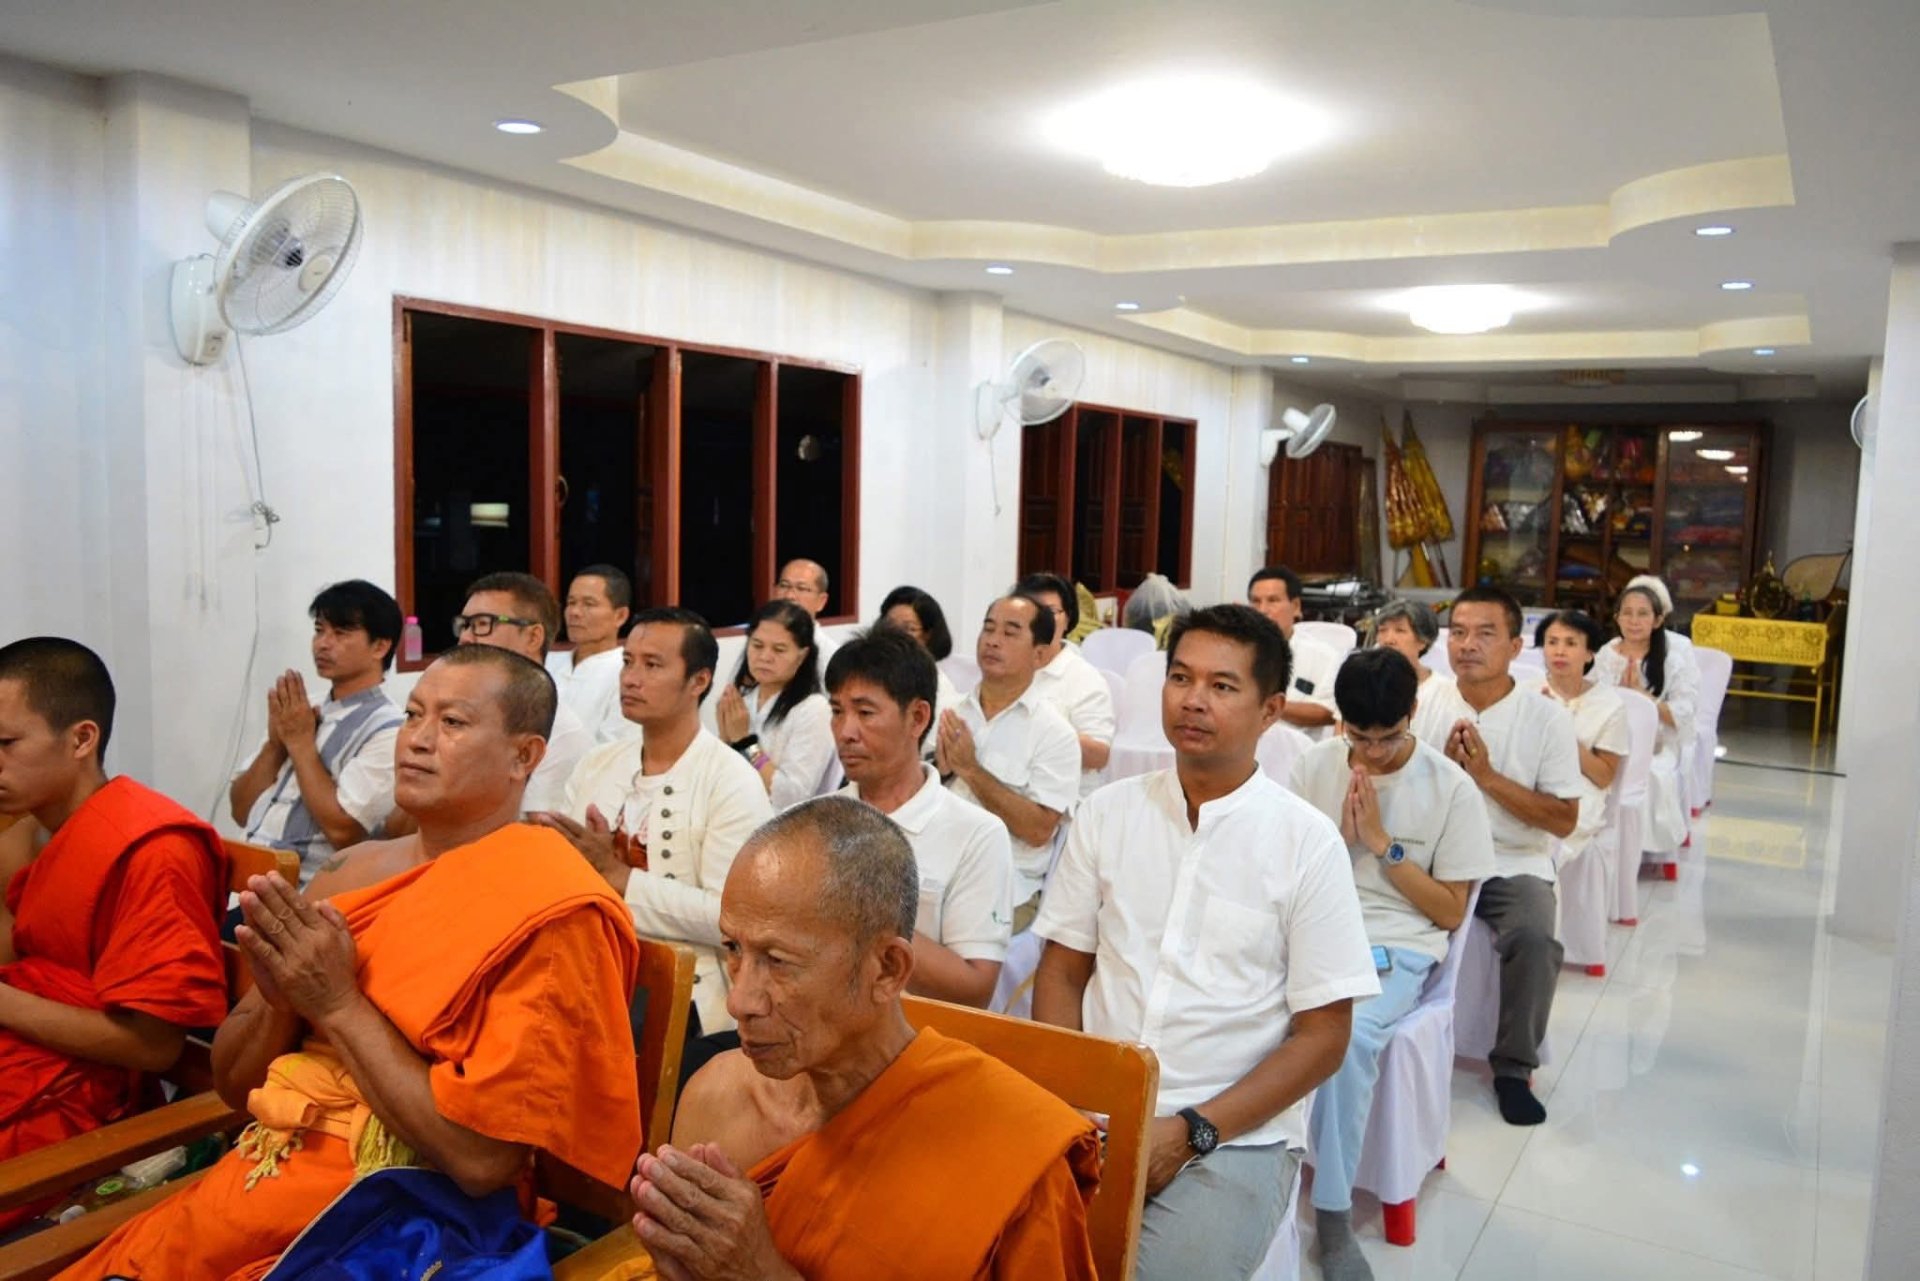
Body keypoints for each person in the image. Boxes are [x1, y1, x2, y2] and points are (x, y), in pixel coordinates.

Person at [59, 645, 643, 1280]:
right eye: (413, 715)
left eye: (452, 722)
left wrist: (336, 1003)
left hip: (393, 1218)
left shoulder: (551, 908)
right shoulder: (349, 873)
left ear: (523, 757)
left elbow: (481, 1164)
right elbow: (233, 1085)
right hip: (260, 1168)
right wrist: (283, 1001)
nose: (417, 740)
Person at [603, 797, 1099, 1280]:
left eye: (777, 961)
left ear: (887, 969)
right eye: (734, 948)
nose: (740, 1001)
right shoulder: (715, 1100)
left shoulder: (1013, 1162)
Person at [1032, 605, 1380, 1281]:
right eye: (1181, 677)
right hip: (1092, 1110)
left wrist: (1193, 1130)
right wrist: (1072, 1101)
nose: (1193, 700)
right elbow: (1063, 971)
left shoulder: (1306, 843)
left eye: (1222, 686)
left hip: (1232, 1135)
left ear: (1270, 709)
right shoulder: (1107, 813)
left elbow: (1324, 1036)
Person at [0, 639, 228, 1233]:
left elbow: (152, 1047)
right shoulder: (32, 829)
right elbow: (29, 958)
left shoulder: (154, 851)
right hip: (30, 1059)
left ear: (82, 739)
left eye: (5, 744)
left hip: (79, 1104)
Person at [1290, 648, 1493, 1281]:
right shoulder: (1312, 767)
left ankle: (1331, 1214)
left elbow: (1451, 912)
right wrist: (1338, 841)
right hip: (1310, 929)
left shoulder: (1451, 788)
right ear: (1340, 721)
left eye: (1389, 737)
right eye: (1359, 737)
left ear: (1413, 713)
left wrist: (1382, 845)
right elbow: (1282, 875)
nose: (1373, 753)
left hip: (1395, 943)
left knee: (1344, 1039)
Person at [540, 607, 773, 1035]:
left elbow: (733, 919)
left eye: (652, 665)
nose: (630, 679)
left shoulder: (731, 780)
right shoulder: (597, 765)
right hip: (590, 973)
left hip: (688, 1000)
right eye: (628, 662)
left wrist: (620, 878)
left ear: (698, 681)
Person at [1410, 586, 1582, 1126]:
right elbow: (1400, 792)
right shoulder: (1424, 704)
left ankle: (1512, 1067)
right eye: (1458, 633)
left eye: (1485, 634)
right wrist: (1441, 772)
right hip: (1434, 855)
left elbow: (1563, 819)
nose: (1468, 645)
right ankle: (1393, 1043)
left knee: (1534, 938)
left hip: (1512, 859)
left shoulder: (1546, 718)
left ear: (1515, 646)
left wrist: (1485, 777)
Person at [828, 628, 1013, 1007]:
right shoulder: (818, 820)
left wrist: (864, 913)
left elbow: (974, 990)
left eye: (865, 713)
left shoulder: (976, 834)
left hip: (918, 1032)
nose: (845, 732)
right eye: (836, 712)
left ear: (917, 718)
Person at [230, 580, 404, 885]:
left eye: (341, 633)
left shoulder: (388, 728)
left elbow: (343, 831)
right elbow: (240, 811)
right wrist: (275, 746)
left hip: (305, 892)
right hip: (246, 873)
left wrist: (300, 744)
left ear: (380, 646)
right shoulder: (301, 709)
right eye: (319, 630)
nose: (323, 643)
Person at [939, 595, 1081, 934]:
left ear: (1039, 655)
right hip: (938, 868)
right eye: (988, 629)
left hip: (1004, 886)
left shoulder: (1054, 734)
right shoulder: (951, 712)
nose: (992, 640)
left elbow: (1038, 830)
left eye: (1010, 632)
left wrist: (970, 770)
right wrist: (939, 775)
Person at [454, 571, 590, 813]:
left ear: (533, 637)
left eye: (482, 624)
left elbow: (536, 827)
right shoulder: (456, 712)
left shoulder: (560, 733)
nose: (465, 638)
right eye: (464, 625)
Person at [1591, 581, 1699, 855]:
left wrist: (1642, 698)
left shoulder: (1673, 657)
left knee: (1649, 773)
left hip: (1658, 743)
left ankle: (1635, 847)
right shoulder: (1606, 654)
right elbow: (1591, 697)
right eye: (1627, 613)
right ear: (1616, 618)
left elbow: (1684, 714)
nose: (1634, 621)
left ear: (1658, 620)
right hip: (1609, 739)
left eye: (1642, 614)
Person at [716, 600, 837, 809]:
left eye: (779, 650)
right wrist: (725, 740)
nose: (765, 657)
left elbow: (792, 796)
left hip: (784, 825)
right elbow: (721, 777)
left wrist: (745, 743)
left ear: (802, 655)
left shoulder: (813, 709)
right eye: (757, 645)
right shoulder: (743, 700)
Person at [1534, 610, 1629, 855]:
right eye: (1552, 642)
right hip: (1526, 781)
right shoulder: (1525, 692)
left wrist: (1559, 731)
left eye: (1571, 643)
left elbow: (1603, 776)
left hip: (1579, 791)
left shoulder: (1609, 705)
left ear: (1589, 653)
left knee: (1545, 840)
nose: (1559, 651)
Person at [1016, 572, 1116, 796]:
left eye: (1050, 612)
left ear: (1068, 619)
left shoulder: (1084, 678)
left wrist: (1032, 728)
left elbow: (1099, 755)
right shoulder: (1008, 668)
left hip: (1059, 799)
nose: (1040, 621)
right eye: (1031, 610)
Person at [547, 564, 636, 745]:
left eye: (589, 604)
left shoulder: (628, 672)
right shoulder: (547, 662)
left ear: (620, 616)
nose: (574, 612)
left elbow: (615, 746)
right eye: (571, 603)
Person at [1249, 566, 1340, 734]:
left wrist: (1265, 704)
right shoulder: (1237, 652)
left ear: (1296, 606)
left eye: (1273, 600)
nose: (1262, 610)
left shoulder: (1325, 655)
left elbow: (1327, 712)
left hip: (1301, 747)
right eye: (1256, 601)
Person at [877, 584, 964, 729]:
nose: (895, 635)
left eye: (908, 629)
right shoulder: (870, 674)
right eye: (889, 625)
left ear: (928, 636)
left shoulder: (940, 689)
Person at [773, 557, 840, 667]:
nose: (789, 595)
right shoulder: (759, 641)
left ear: (821, 601)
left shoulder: (830, 657)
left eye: (801, 588)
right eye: (784, 586)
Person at [1371, 599, 1442, 686]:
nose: (1388, 640)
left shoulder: (1446, 689)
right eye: (1382, 630)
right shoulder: (1362, 684)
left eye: (1400, 630)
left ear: (1423, 641)